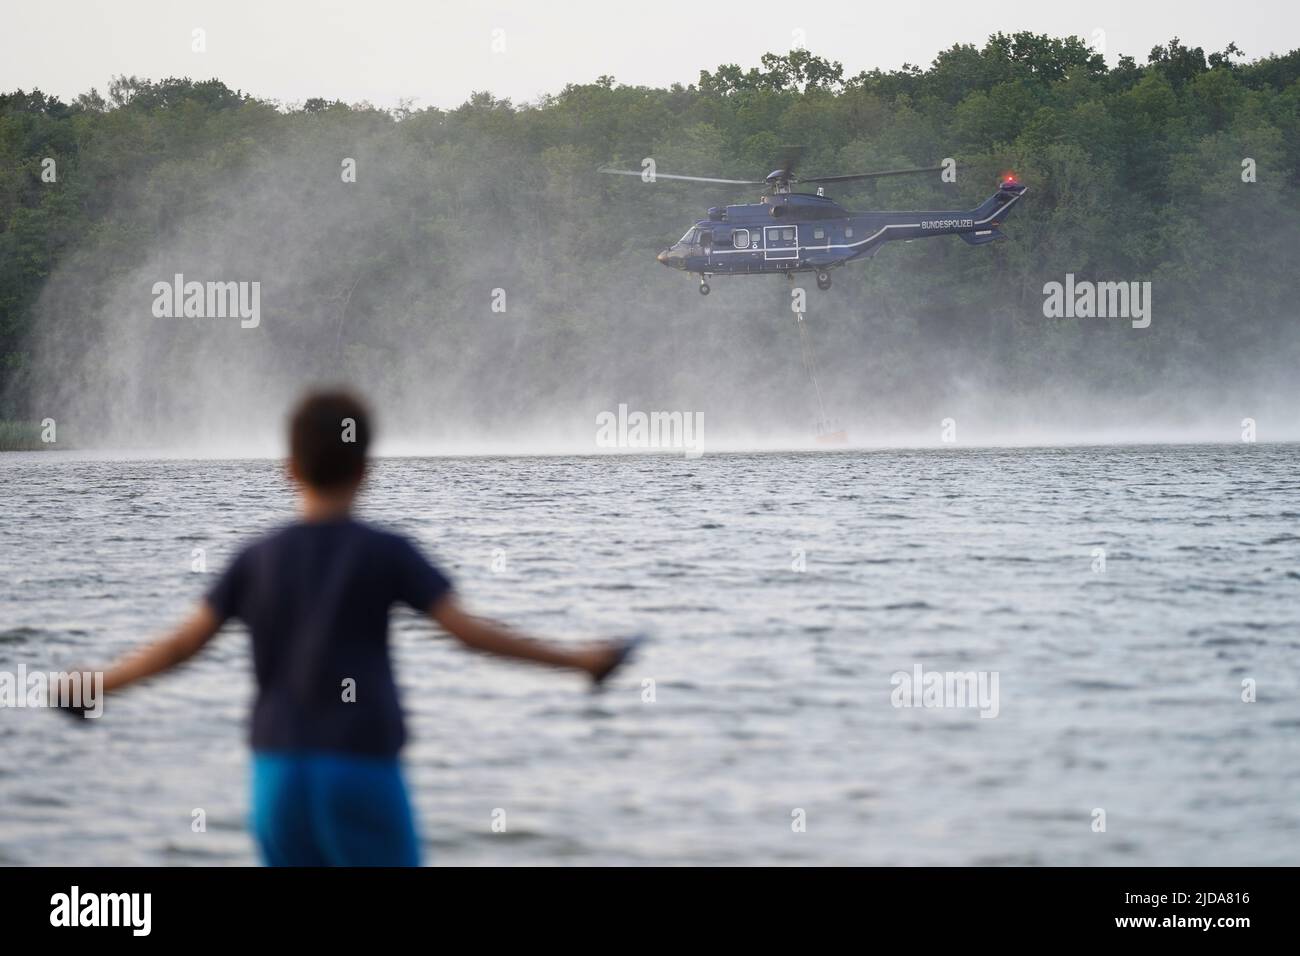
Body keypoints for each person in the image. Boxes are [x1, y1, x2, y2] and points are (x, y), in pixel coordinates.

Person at [78, 390, 637, 866]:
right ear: (367, 469)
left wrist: (96, 686)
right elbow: (469, 633)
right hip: (360, 769)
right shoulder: (385, 552)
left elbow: (180, 647)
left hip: (277, 777)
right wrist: (582, 661)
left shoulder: (256, 558)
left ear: (289, 469)